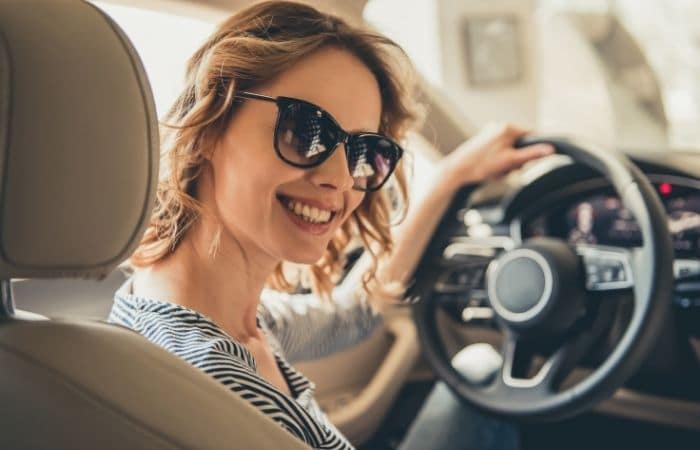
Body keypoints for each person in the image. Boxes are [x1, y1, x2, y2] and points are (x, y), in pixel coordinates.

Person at [108, 1, 554, 449]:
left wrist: (452, 178)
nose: (341, 180)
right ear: (208, 128)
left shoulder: (216, 315)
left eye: (364, 152)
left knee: (479, 366)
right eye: (306, 132)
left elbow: (355, 315)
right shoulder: (216, 381)